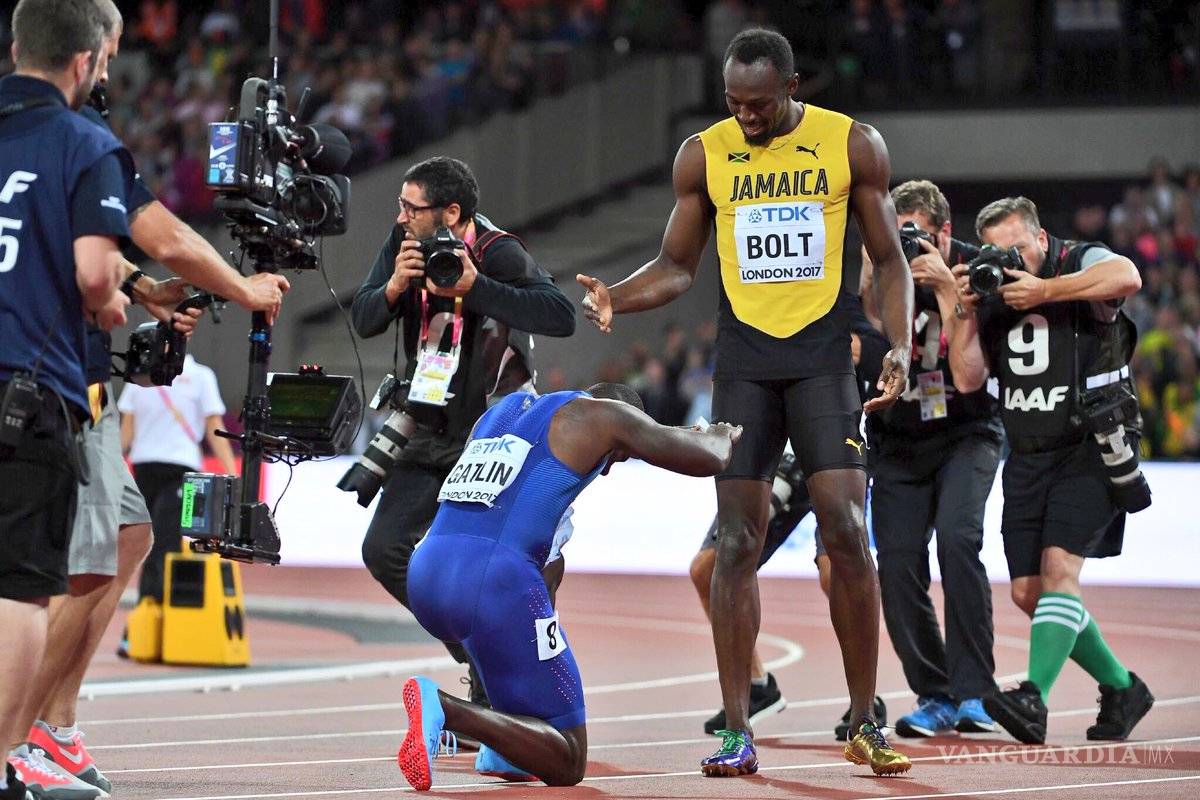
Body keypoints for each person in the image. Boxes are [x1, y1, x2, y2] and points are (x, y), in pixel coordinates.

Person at [577, 29, 914, 776]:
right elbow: (676, 264)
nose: (747, 116)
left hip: (822, 362)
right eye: (734, 102)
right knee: (735, 543)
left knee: (846, 532)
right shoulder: (704, 155)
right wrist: (618, 298)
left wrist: (899, 344)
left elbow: (889, 259)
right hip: (746, 368)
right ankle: (738, 730)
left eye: (759, 104)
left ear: (792, 86)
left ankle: (865, 721)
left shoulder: (851, 144)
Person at [15, 3, 290, 795]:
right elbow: (160, 235)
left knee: (129, 533)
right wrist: (242, 287)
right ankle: (17, 737)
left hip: (61, 378)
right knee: (55, 572)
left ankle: (53, 724)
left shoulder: (27, 136)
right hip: (48, 376)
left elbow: (74, 240)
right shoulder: (80, 138)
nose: (108, 74)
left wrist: (141, 288)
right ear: (90, 58)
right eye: (109, 59)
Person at [395, 384, 743, 790]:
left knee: (519, 645)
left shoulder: (502, 415)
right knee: (569, 758)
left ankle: (507, 748)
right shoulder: (603, 416)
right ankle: (445, 708)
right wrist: (721, 433)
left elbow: (545, 575)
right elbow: (710, 457)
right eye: (618, 456)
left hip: (427, 570)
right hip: (489, 581)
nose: (607, 469)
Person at [350, 156, 574, 711]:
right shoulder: (402, 244)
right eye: (400, 206)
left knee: (493, 567)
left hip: (488, 437)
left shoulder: (498, 251)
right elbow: (364, 318)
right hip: (426, 423)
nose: (401, 217)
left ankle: (511, 681)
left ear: (450, 213)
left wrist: (477, 287)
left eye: (411, 208)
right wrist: (394, 286)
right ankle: (480, 655)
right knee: (384, 550)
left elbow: (559, 314)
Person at [948, 196, 1154, 745]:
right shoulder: (991, 289)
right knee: (1028, 592)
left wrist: (1044, 291)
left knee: (1060, 570)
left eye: (1019, 247)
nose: (1010, 259)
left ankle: (1032, 698)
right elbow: (967, 380)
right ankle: (1122, 687)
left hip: (1093, 444)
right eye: (999, 251)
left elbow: (1127, 276)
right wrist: (962, 309)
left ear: (1041, 239)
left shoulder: (1077, 259)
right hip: (1028, 453)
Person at [0, 1, 130, 797]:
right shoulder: (83, 143)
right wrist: (112, 301)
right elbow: (93, 273)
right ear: (85, 62)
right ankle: (5, 763)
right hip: (26, 395)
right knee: (19, 591)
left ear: (19, 44)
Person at [690, 311, 892, 741]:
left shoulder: (846, 306)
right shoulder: (755, 313)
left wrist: (865, 347)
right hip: (778, 457)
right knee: (708, 567)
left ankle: (865, 704)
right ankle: (757, 686)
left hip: (831, 453)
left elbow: (878, 354)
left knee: (837, 567)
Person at [859, 180, 1003, 737]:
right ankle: (935, 693)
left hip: (966, 431)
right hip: (898, 439)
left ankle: (976, 694)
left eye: (915, 235)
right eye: (895, 236)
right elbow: (868, 347)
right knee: (896, 564)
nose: (906, 247)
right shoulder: (883, 268)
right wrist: (870, 277)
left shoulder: (974, 270)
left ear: (944, 233)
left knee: (958, 542)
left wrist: (946, 290)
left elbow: (968, 378)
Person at [117, 353, 235, 601]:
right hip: (144, 468)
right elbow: (127, 429)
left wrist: (233, 474)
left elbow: (214, 427)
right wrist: (111, 464)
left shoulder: (201, 376)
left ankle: (158, 601)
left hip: (184, 472)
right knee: (145, 538)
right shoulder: (139, 375)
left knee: (166, 537)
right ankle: (151, 604)